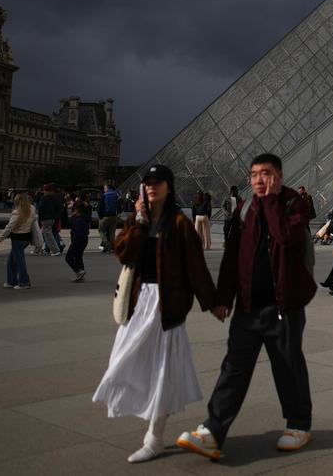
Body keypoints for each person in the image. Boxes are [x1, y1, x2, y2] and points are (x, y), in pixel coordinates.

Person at [177, 153, 317, 461]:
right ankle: (212, 432)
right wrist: (223, 298)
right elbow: (232, 259)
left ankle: (299, 424)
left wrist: (269, 202)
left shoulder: (295, 205)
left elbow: (284, 238)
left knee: (288, 367)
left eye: (265, 173)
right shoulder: (243, 210)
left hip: (284, 305)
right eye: (254, 174)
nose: (258, 179)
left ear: (279, 176)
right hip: (248, 306)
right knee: (233, 369)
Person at [95, 164, 217, 463]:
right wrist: (137, 221)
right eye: (147, 183)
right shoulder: (137, 219)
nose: (151, 187)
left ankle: (154, 437)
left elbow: (196, 267)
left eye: (158, 182)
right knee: (123, 361)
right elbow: (123, 253)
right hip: (139, 303)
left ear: (168, 186)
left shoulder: (178, 223)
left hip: (167, 305)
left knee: (163, 373)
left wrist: (214, 302)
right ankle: (150, 427)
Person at [0, 192, 37, 289]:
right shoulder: (32, 209)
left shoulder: (17, 213)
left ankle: (24, 282)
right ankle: (12, 281)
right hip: (26, 238)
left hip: (17, 239)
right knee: (12, 260)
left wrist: (0, 239)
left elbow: (9, 228)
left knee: (19, 261)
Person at [65, 198, 90, 282]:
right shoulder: (84, 218)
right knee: (78, 257)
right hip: (83, 240)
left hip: (78, 240)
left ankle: (79, 271)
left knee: (68, 257)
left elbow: (78, 233)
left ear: (77, 210)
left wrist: (74, 241)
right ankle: (81, 274)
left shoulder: (78, 220)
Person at [35, 185, 63, 256]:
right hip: (52, 218)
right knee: (44, 234)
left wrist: (40, 218)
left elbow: (40, 208)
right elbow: (58, 208)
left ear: (47, 191)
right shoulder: (55, 198)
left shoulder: (44, 198)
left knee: (47, 234)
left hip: (46, 218)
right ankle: (38, 249)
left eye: (44, 190)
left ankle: (55, 250)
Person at [98, 183, 121, 252]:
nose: (104, 189)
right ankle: (112, 246)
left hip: (106, 216)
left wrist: (100, 216)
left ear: (107, 188)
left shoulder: (105, 195)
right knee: (112, 232)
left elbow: (100, 206)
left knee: (101, 231)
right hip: (114, 216)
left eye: (105, 188)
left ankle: (106, 243)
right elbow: (119, 205)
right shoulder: (116, 195)